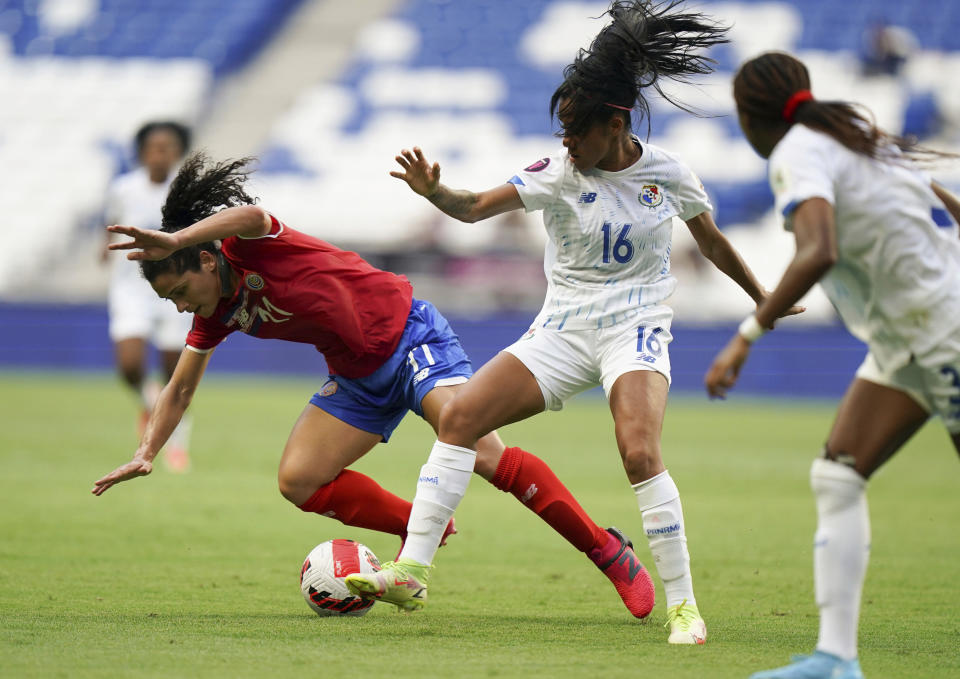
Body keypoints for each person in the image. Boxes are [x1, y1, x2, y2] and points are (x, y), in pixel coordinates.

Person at [346, 0, 798, 644]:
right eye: (560, 132)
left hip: (634, 324)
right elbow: (473, 207)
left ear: (614, 124)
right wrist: (435, 193)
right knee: (460, 418)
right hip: (562, 328)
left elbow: (713, 242)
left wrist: (762, 296)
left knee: (639, 451)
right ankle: (413, 569)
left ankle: (684, 607)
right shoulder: (558, 173)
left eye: (575, 133)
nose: (565, 144)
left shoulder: (667, 173)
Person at [91, 152, 658, 620]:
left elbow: (252, 213)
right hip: (357, 376)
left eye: (179, 289)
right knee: (299, 479)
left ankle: (609, 552)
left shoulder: (250, 246)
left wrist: (175, 238)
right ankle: (425, 529)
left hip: (411, 338)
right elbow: (181, 388)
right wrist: (146, 453)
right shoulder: (214, 314)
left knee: (483, 454)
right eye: (170, 302)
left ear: (207, 261)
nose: (181, 305)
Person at [704, 51, 960, 679]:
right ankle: (836, 659)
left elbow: (819, 250)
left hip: (945, 331)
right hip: (909, 340)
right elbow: (946, 204)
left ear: (748, 116)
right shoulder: (854, 138)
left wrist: (746, 334)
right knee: (838, 474)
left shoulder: (799, 151)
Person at [103, 121, 194, 472]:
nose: (161, 154)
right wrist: (103, 250)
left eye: (168, 147)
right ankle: (148, 402)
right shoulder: (124, 189)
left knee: (176, 374)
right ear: (142, 152)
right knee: (129, 366)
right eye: (154, 147)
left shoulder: (183, 192)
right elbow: (111, 223)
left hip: (174, 289)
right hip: (131, 287)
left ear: (177, 152)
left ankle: (177, 444)